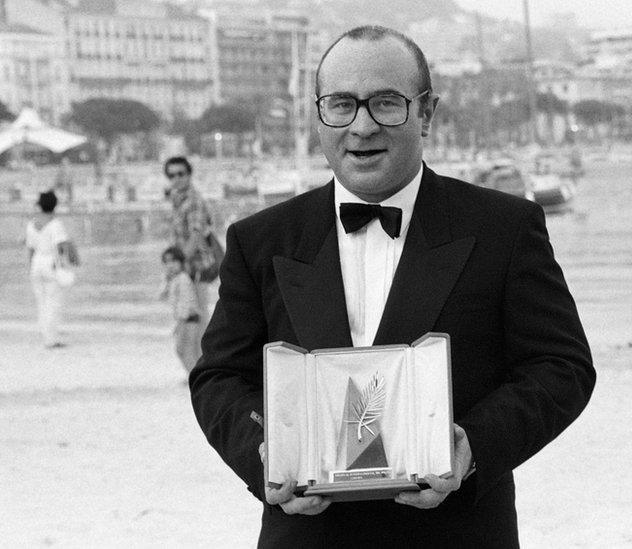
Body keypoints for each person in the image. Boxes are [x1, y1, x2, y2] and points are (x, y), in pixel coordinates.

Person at [189, 25, 595, 548]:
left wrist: (472, 447)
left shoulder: (505, 228)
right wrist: (264, 454)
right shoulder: (259, 239)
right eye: (341, 105)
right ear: (320, 114)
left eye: (386, 103)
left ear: (426, 113)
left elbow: (562, 367)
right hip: (307, 535)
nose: (361, 127)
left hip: (458, 533)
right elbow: (218, 377)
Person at [163, 156, 214, 334]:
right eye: (171, 176)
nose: (176, 179)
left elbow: (196, 235)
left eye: (180, 174)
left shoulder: (194, 201)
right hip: (184, 271)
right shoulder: (177, 199)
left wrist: (179, 265)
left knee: (196, 331)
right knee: (186, 332)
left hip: (195, 270)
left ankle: (205, 362)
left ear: (189, 174)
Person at [25, 190, 78, 348]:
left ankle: (44, 333)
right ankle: (51, 339)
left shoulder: (31, 224)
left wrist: (30, 267)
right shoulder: (55, 224)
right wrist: (63, 264)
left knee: (41, 301)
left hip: (36, 263)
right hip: (50, 262)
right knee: (53, 302)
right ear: (55, 205)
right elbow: (61, 246)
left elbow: (30, 248)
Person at [159, 246, 202, 375]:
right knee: (182, 350)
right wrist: (166, 279)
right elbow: (161, 296)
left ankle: (195, 377)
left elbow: (185, 304)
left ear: (180, 262)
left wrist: (180, 324)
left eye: (173, 261)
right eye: (167, 262)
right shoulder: (174, 279)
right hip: (185, 319)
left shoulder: (183, 279)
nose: (170, 265)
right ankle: (193, 376)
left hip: (189, 319)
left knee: (185, 350)